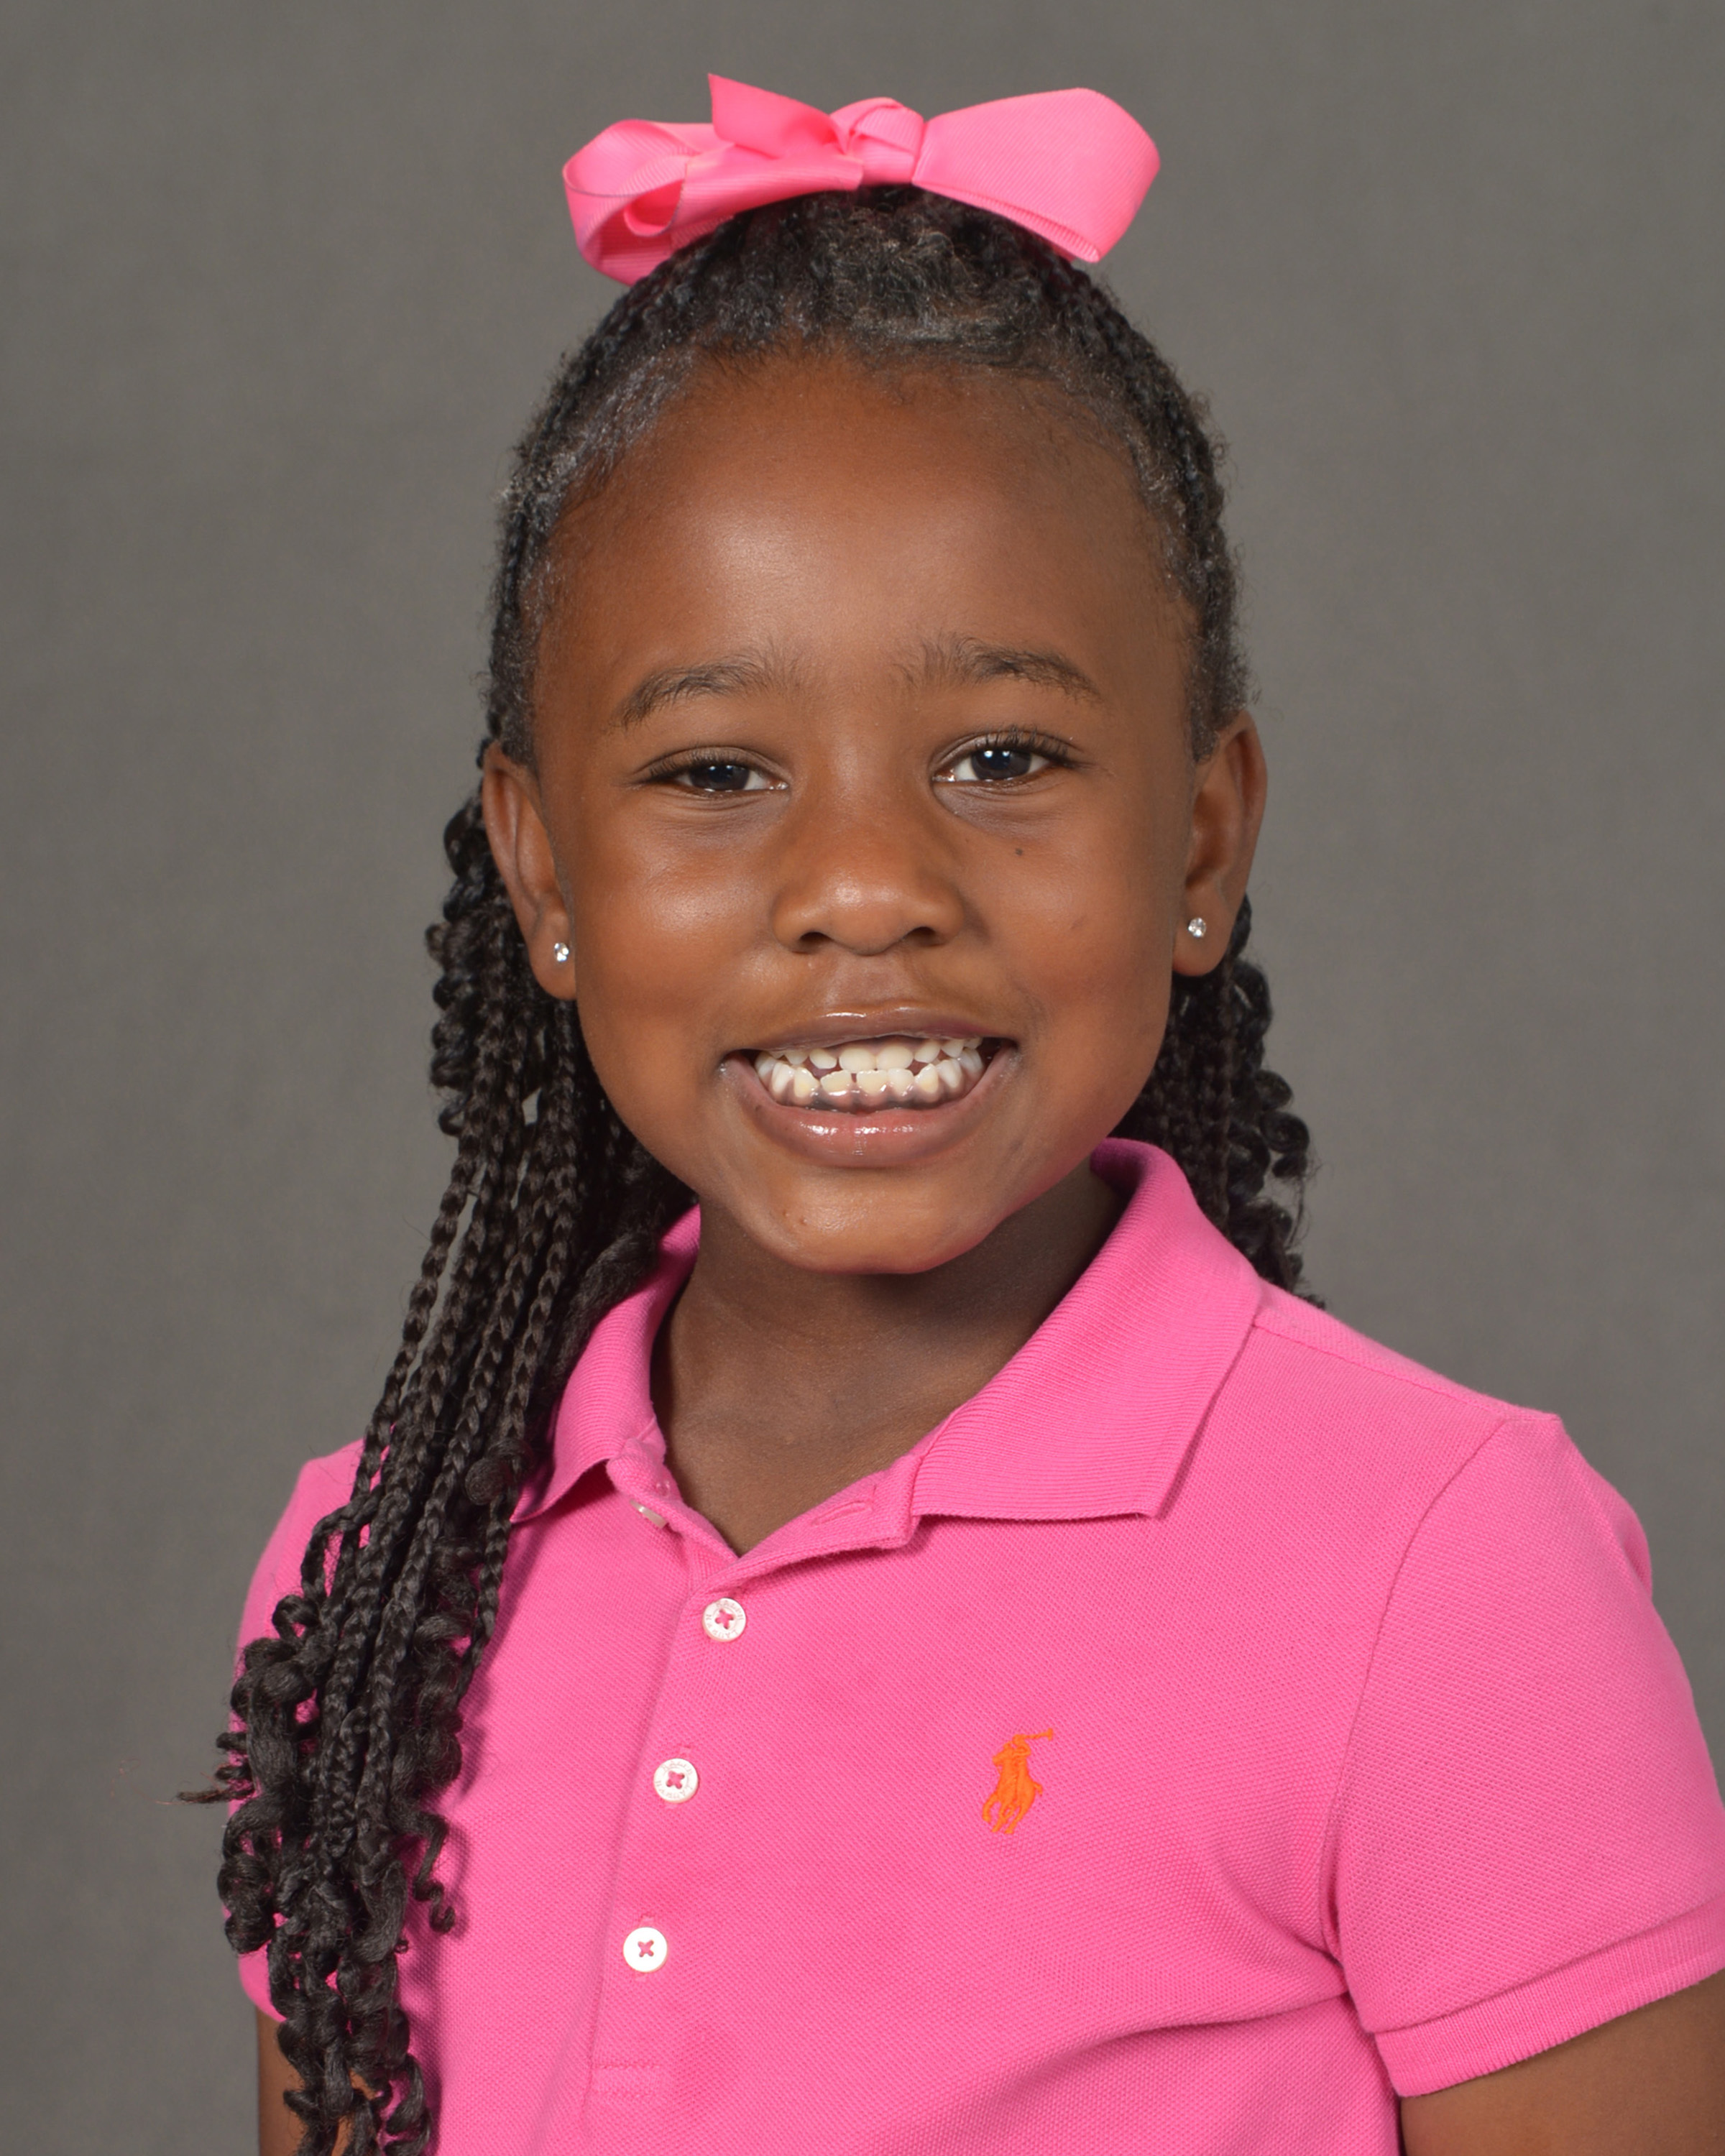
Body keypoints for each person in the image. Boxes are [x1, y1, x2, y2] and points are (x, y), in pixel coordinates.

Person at [204, 77, 1725, 2156]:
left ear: (1205, 836)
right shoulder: (385, 1575)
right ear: (542, 871)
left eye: (1004, 758)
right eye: (715, 773)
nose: (865, 886)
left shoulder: (1442, 1573)